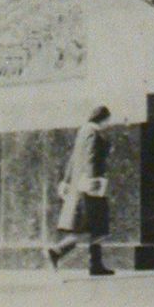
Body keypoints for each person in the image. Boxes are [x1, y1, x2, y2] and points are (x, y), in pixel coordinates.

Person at [47, 105, 114, 275]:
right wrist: (93, 180)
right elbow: (91, 157)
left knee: (94, 226)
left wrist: (67, 179)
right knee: (87, 227)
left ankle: (96, 264)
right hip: (90, 187)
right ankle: (57, 251)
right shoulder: (93, 132)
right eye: (108, 120)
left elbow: (73, 159)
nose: (108, 124)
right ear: (103, 118)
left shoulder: (83, 132)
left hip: (82, 185)